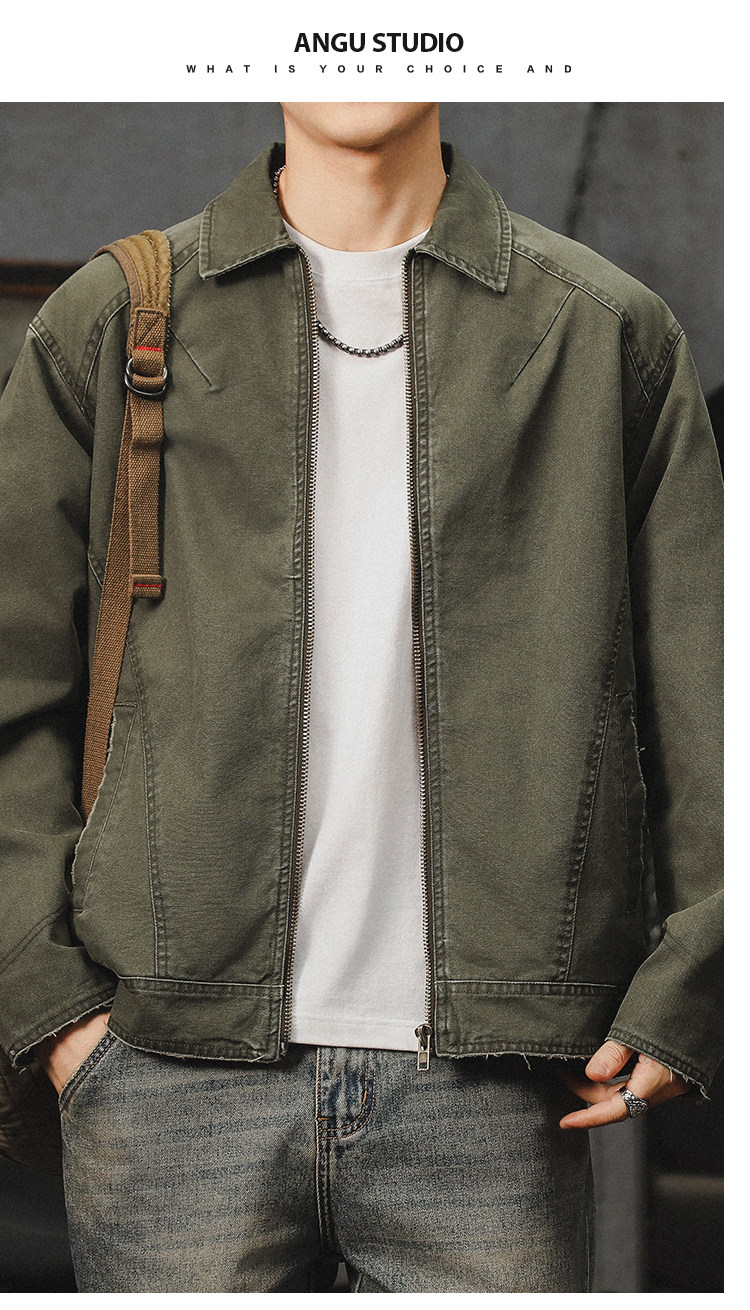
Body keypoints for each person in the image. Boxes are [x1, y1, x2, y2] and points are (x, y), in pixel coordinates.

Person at [0, 102, 722, 1292]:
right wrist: (58, 1010)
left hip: (494, 1087)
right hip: (166, 1067)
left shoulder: (603, 331)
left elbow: (708, 697)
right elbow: (16, 680)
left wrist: (692, 985)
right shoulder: (113, 315)